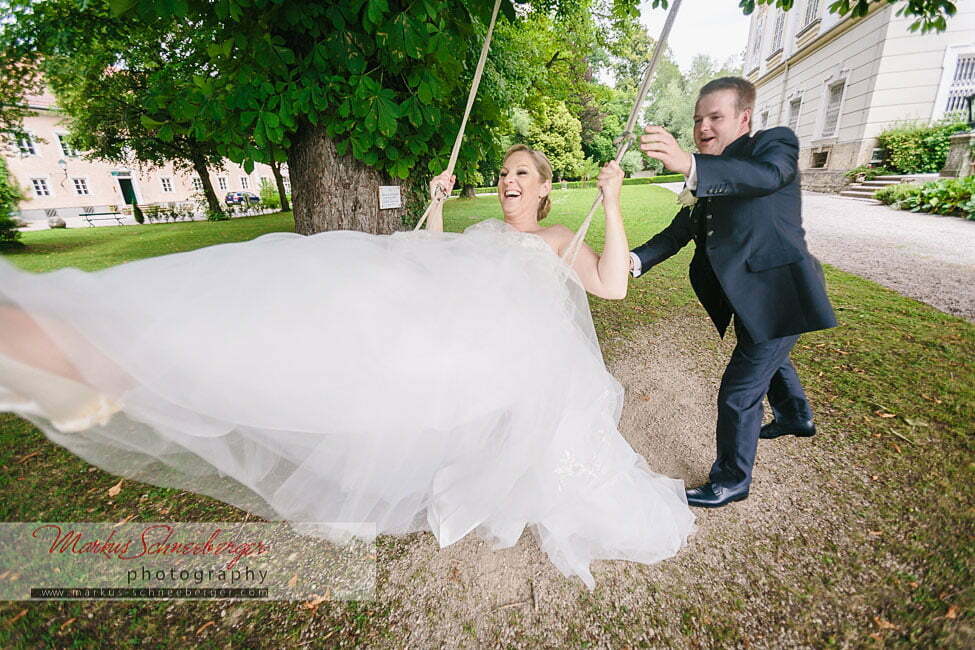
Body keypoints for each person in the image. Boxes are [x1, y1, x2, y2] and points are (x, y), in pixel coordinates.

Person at [0, 144, 694, 590]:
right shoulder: (482, 231)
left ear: (544, 190)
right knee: (349, 325)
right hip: (460, 338)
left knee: (545, 447)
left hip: (524, 356)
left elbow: (612, 287)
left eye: (522, 174)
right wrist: (435, 206)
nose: (509, 180)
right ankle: (151, 352)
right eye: (505, 171)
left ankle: (114, 351)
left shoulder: (552, 237)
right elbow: (427, 264)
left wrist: (608, 201)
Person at [632, 77, 837, 508]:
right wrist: (634, 261)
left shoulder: (773, 145)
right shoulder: (709, 175)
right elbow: (679, 232)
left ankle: (731, 481)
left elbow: (768, 176)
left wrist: (691, 166)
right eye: (697, 120)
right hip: (749, 299)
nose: (703, 127)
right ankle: (796, 416)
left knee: (739, 392)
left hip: (783, 292)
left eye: (715, 117)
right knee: (766, 353)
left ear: (743, 118)